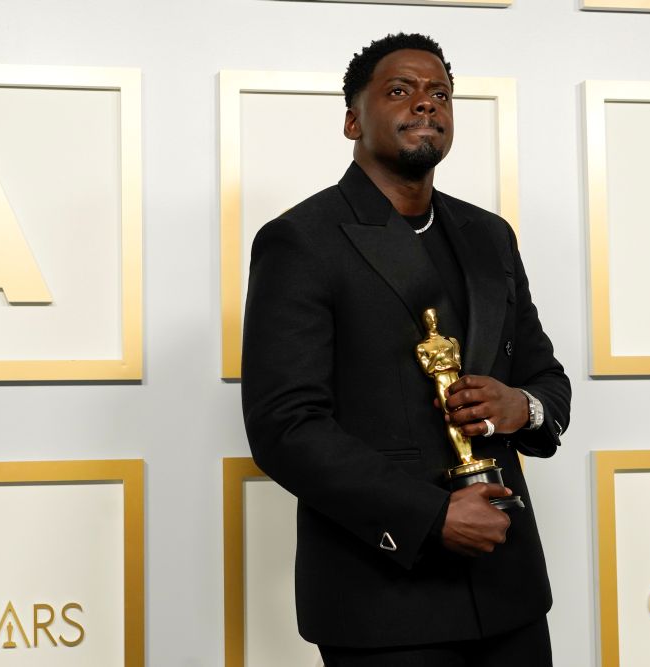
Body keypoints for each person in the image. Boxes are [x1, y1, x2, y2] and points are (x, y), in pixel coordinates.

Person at [241, 33, 571, 667]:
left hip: (511, 594)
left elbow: (546, 378)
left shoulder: (490, 236)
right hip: (384, 605)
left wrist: (519, 405)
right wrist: (430, 515)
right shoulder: (299, 241)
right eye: (400, 90)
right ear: (351, 119)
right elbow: (287, 428)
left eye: (440, 93)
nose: (426, 104)